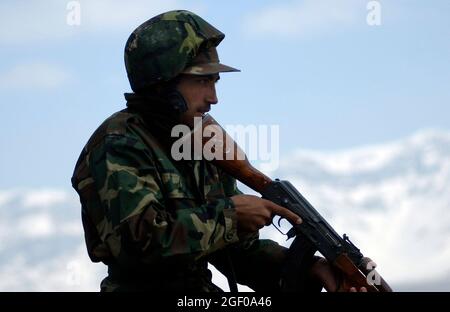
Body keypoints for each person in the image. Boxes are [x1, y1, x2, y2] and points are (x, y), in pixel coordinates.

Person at [71, 10, 365, 292]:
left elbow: (238, 254)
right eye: (202, 81)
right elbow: (140, 244)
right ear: (163, 83)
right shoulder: (119, 143)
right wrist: (231, 216)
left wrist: (312, 269)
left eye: (214, 81)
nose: (214, 98)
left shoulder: (200, 142)